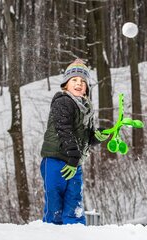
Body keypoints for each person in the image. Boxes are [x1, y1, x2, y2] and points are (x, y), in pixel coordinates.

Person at [40, 59, 109, 225]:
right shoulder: (62, 101)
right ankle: (52, 231)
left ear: (87, 87)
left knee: (74, 201)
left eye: (83, 82)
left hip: (74, 162)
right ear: (66, 84)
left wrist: (95, 136)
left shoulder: (86, 107)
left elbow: (85, 137)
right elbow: (64, 130)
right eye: (74, 80)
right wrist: (73, 157)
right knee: (55, 200)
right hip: (55, 159)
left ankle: (75, 230)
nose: (79, 84)